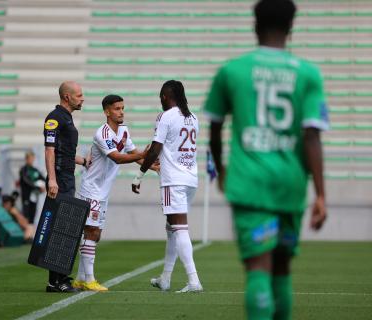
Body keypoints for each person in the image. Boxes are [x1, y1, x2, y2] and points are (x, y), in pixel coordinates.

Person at [205, 0, 328, 319]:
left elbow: (215, 128)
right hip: (290, 183)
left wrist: (221, 170)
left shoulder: (232, 71)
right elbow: (312, 136)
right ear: (291, 27)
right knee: (282, 269)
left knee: (259, 268)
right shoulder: (309, 74)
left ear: (254, 25)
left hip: (249, 181)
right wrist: (321, 195)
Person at [72, 94, 155, 292]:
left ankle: (79, 278)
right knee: (91, 232)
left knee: (95, 233)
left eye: (122, 108)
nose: (121, 112)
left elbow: (133, 154)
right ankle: (89, 279)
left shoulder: (124, 130)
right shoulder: (102, 133)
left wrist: (152, 166)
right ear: (107, 111)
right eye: (117, 109)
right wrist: (143, 154)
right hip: (91, 189)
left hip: (103, 192)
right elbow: (117, 158)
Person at [132, 80, 203, 293]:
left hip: (174, 179)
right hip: (190, 177)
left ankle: (193, 281)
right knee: (172, 228)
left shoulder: (166, 116)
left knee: (180, 228)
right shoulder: (193, 117)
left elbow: (155, 149)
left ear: (164, 96)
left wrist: (139, 174)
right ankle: (166, 278)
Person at [43, 81, 89, 293]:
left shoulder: (66, 117)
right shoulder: (54, 118)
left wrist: (82, 161)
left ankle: (60, 278)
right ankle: (55, 282)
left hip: (67, 176)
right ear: (67, 97)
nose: (82, 98)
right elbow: (50, 150)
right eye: (79, 95)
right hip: (60, 178)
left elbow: (65, 151)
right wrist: (52, 179)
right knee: (61, 229)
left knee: (66, 227)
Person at [19, 151, 46, 224]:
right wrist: (37, 187)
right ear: (26, 159)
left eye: (32, 159)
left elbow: (43, 179)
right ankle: (26, 233)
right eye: (30, 158)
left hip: (34, 197)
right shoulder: (24, 170)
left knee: (33, 216)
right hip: (26, 197)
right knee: (26, 216)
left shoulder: (35, 170)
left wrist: (44, 186)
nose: (31, 160)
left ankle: (30, 233)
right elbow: (26, 181)